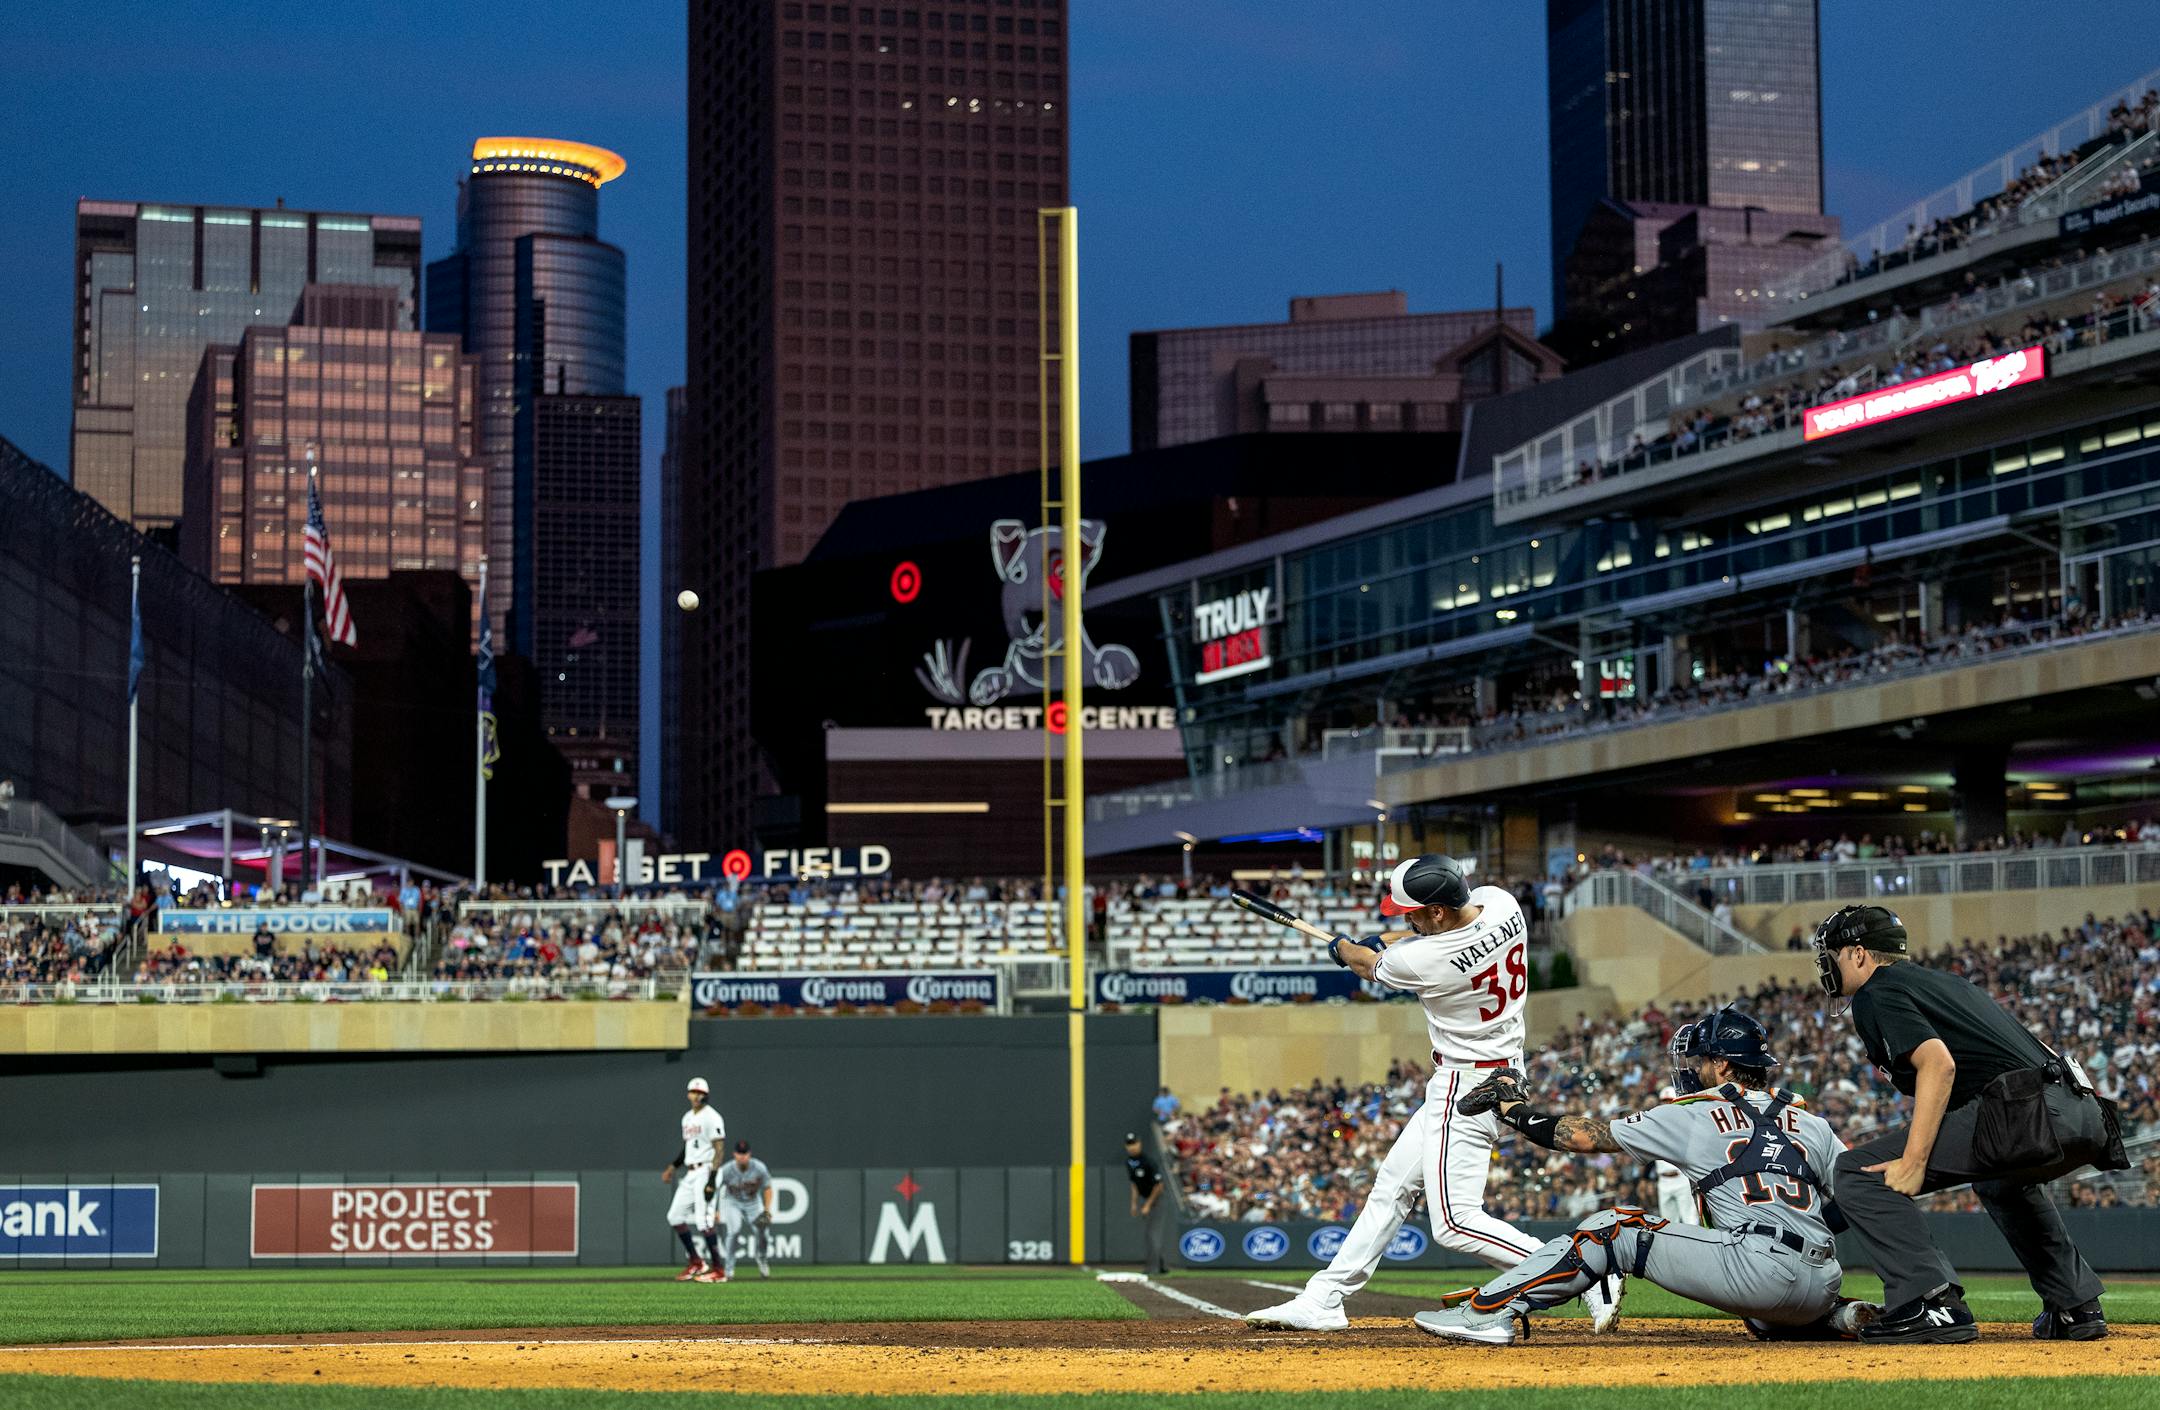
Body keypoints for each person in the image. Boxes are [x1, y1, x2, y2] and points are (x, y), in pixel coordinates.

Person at [1247, 856, 1616, 1333]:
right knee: (1393, 1187)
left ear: (1438, 911)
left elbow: (1368, 965)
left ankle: (1586, 1272)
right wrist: (1385, 942)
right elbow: (1417, 943)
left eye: (1412, 912)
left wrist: (1343, 948)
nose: (1406, 919)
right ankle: (1325, 1298)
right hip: (1503, 1071)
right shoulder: (1502, 905)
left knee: (1455, 1222)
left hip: (1466, 1087)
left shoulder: (1424, 961)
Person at [1414, 1010, 1878, 1346]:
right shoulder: (1813, 1123)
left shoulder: (1697, 1114)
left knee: (1611, 1229)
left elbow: (1578, 1137)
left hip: (1758, 1272)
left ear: (1721, 1065)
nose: (1692, 1070)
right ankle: (1839, 1318)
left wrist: (1511, 1108)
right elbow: (1859, 1200)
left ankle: (1487, 1313)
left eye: (1699, 1061)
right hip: (1823, 1280)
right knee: (1762, 1319)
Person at [1813, 904, 2127, 1343]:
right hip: (2082, 1110)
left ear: (1859, 954)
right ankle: (2075, 1305)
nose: (1828, 964)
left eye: (1834, 954)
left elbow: (1938, 1066)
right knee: (2001, 1182)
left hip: (2025, 1111)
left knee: (1856, 1172)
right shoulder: (1947, 983)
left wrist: (1915, 1159)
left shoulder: (1876, 991)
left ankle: (1930, 1302)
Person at [660, 1077, 726, 1282]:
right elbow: (688, 1147)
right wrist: (673, 1167)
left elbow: (719, 1149)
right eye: (693, 1092)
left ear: (705, 1095)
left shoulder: (712, 1117)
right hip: (690, 1170)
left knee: (704, 1221)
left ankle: (718, 1270)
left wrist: (712, 1180)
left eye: (700, 1093)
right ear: (688, 1094)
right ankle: (697, 1262)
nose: (697, 1095)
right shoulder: (687, 1117)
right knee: (675, 1216)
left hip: (706, 1169)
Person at [708, 1139, 776, 1280]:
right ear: (734, 1154)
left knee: (763, 1233)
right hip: (732, 1202)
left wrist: (767, 1210)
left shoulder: (759, 1167)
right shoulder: (727, 1169)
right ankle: (729, 1268)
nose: (742, 1156)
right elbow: (715, 1188)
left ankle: (762, 1258)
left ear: (749, 1154)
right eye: (739, 1153)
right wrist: (714, 1209)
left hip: (753, 1203)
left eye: (744, 1153)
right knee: (734, 1231)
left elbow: (768, 1188)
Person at [1125, 1132, 1171, 1274]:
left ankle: (1153, 1267)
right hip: (1146, 1199)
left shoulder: (1148, 1161)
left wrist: (1147, 1205)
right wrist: (1134, 1203)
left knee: (1152, 1234)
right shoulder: (1129, 1162)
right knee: (1151, 1233)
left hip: (1157, 1199)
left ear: (1140, 1143)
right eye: (1129, 1144)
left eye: (1134, 1143)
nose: (1132, 1147)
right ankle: (1162, 1266)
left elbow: (1159, 1186)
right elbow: (1134, 1184)